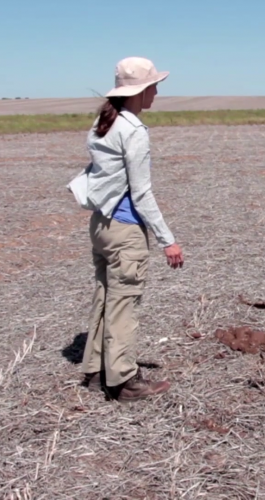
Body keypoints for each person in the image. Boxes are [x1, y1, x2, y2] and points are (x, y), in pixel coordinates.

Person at [78, 56, 184, 401]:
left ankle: (96, 371)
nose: (156, 92)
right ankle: (123, 381)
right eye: (154, 86)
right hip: (125, 230)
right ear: (141, 91)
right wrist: (167, 239)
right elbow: (141, 193)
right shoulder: (133, 130)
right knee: (124, 304)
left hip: (100, 225)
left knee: (105, 297)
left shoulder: (102, 122)